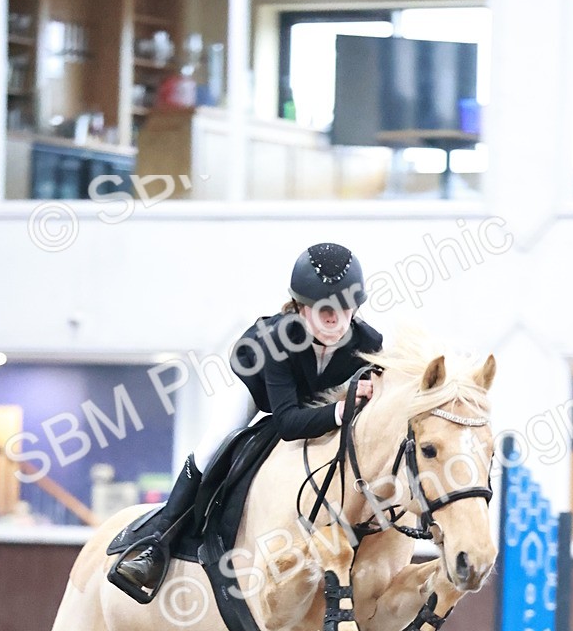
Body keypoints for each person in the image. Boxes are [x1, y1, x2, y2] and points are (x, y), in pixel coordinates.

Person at [112, 242, 383, 595]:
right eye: (322, 309)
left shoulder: (369, 344)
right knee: (214, 447)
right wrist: (340, 410)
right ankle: (156, 544)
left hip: (316, 397)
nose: (334, 318)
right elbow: (286, 423)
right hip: (259, 387)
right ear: (301, 309)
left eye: (344, 307)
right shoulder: (276, 339)